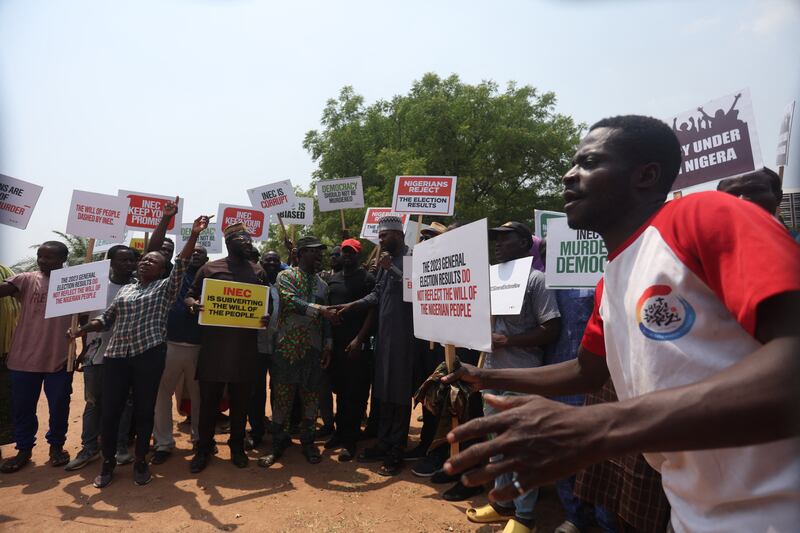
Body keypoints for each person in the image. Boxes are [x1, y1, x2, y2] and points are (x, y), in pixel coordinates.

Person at [443, 115, 800, 532]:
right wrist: (481, 378)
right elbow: (587, 371)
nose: (568, 174)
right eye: (573, 163)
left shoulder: (703, 215)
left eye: (589, 162)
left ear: (646, 175)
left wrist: (599, 425)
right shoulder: (611, 278)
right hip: (694, 511)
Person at [69, 204, 207, 488]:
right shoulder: (126, 289)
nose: (145, 262)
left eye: (152, 261)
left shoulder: (166, 289)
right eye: (143, 260)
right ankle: (107, 463)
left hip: (149, 356)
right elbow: (106, 320)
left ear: (162, 270)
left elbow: (180, 262)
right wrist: (82, 328)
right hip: (117, 356)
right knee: (110, 411)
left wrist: (191, 233)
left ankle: (141, 460)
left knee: (144, 411)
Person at [465, 221, 561, 533]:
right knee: (498, 443)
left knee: (521, 446)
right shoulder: (491, 279)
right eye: (495, 239)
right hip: (492, 374)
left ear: (524, 243)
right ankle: (501, 504)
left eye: (505, 238)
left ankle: (524, 517)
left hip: (522, 376)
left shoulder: (537, 280)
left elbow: (552, 328)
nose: (498, 244)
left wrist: (510, 341)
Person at [333, 215, 418, 476]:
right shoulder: (384, 261)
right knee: (382, 390)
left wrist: (392, 268)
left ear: (398, 234)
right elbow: (377, 294)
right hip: (384, 338)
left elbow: (417, 290)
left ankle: (396, 452)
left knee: (399, 393)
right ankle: (383, 443)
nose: (380, 241)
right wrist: (352, 305)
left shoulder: (413, 258)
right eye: (379, 237)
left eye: (384, 236)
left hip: (405, 338)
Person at [185, 222, 266, 473]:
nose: (249, 244)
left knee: (241, 403)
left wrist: (264, 316)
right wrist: (192, 305)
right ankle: (204, 448)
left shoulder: (257, 271)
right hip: (214, 350)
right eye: (244, 240)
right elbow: (190, 294)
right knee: (209, 403)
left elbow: (264, 304)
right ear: (230, 243)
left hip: (244, 351)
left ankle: (237, 446)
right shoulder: (210, 268)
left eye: (250, 240)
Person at [259, 236, 335, 467]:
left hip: (313, 349)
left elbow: (328, 320)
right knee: (282, 398)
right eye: (314, 251)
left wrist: (328, 345)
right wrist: (321, 310)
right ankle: (278, 444)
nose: (319, 255)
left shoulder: (322, 284)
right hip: (286, 348)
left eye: (320, 251)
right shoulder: (286, 276)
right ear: (300, 254)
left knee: (311, 398)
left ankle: (308, 442)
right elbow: (291, 301)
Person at [0, 241, 73, 473]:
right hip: (23, 359)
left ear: (63, 259)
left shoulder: (74, 281)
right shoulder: (26, 279)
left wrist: (80, 350)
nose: (43, 261)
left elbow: (83, 318)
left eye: (49, 257)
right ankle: (23, 449)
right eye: (40, 256)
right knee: (23, 407)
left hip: (59, 358)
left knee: (59, 406)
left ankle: (56, 447)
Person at [64, 245, 138, 471]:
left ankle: (120, 446)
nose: (128, 264)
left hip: (128, 355)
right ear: (111, 263)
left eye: (131, 260)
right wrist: (82, 347)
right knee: (94, 403)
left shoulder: (140, 288)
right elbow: (85, 318)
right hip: (97, 356)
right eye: (123, 260)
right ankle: (89, 448)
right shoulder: (95, 287)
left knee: (125, 403)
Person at [150, 244, 209, 465]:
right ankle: (164, 443)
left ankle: (200, 439)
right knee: (161, 394)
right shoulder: (172, 274)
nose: (195, 255)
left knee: (199, 396)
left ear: (206, 259)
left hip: (200, 346)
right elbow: (152, 248)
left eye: (200, 253)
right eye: (192, 252)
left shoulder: (212, 277)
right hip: (170, 343)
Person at [323, 238, 376, 461]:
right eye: (344, 251)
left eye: (351, 252)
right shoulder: (332, 280)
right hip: (336, 347)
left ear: (358, 255)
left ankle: (351, 441)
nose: (347, 256)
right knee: (341, 392)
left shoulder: (367, 278)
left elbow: (373, 311)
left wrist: (359, 340)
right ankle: (339, 432)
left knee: (355, 395)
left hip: (357, 347)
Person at [245, 249, 283, 450]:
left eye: (275, 260)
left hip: (280, 347)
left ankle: (278, 429)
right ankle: (257, 430)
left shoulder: (282, 288)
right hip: (255, 348)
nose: (271, 263)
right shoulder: (251, 285)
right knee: (256, 392)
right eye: (267, 259)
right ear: (260, 262)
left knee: (278, 390)